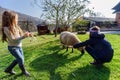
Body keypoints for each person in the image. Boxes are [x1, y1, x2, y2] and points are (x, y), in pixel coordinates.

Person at [1, 11, 31, 76]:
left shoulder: (16, 27)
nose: (17, 20)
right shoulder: (6, 29)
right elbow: (13, 40)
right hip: (13, 47)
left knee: (19, 59)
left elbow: (20, 36)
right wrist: (23, 37)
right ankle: (24, 71)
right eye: (16, 19)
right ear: (11, 19)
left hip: (19, 46)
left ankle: (8, 69)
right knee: (21, 59)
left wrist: (27, 34)